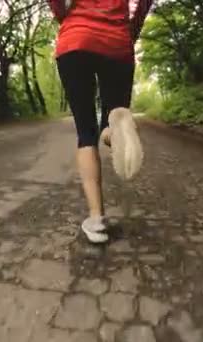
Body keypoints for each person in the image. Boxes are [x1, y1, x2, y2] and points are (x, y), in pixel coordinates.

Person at [48, 0, 154, 243]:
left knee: (86, 133)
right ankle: (115, 127)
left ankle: (96, 219)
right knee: (112, 118)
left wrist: (63, 18)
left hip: (75, 40)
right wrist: (130, 32)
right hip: (117, 42)